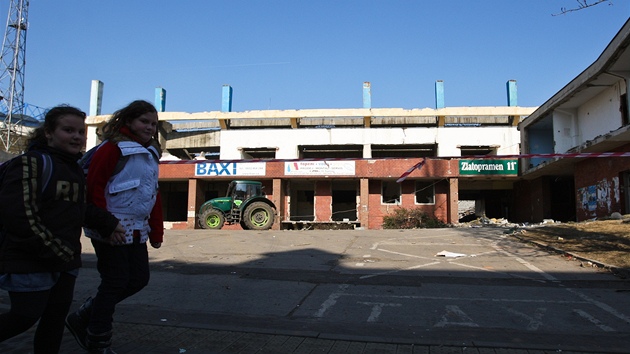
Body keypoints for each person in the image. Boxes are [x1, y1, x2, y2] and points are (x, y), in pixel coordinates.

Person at [0, 105, 124, 354]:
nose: (77, 137)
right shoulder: (30, 164)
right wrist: (55, 250)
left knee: (54, 323)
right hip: (29, 261)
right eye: (68, 130)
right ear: (48, 132)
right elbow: (20, 218)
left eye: (80, 132)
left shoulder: (75, 169)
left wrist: (109, 223)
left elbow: (80, 208)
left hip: (66, 262)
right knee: (25, 315)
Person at [65, 100, 164, 354]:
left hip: (137, 229)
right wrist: (107, 225)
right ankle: (98, 340)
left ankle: (85, 314)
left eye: (153, 124)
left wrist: (156, 230)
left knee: (139, 279)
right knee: (115, 282)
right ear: (128, 121)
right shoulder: (111, 148)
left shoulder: (151, 153)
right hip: (110, 227)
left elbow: (153, 193)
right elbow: (94, 187)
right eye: (144, 121)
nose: (149, 128)